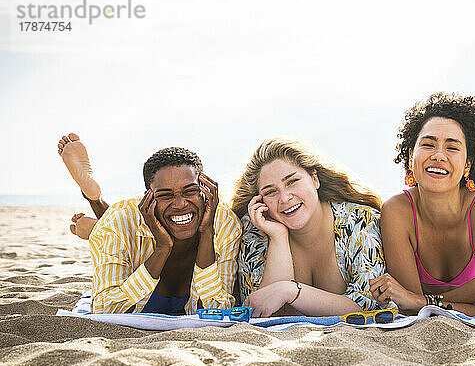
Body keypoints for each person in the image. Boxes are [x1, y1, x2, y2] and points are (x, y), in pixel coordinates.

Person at [369, 93, 475, 316]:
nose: (439, 155)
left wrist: (419, 301)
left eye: (452, 148)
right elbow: (408, 307)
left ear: (468, 163)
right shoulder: (397, 211)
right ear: (411, 157)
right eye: (428, 144)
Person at [57, 134, 241, 314]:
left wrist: (207, 233)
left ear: (205, 188)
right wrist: (162, 248)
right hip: (142, 289)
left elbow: (220, 311)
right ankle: (96, 211)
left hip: (129, 239)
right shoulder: (118, 220)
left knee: (114, 227)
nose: (180, 203)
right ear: (148, 197)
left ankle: (97, 222)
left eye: (190, 191)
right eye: (165, 195)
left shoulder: (224, 222)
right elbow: (104, 310)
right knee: (115, 224)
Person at [232, 138, 386, 317]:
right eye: (270, 192)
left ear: (315, 179)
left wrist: (290, 291)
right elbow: (261, 312)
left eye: (292, 181)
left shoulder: (359, 221)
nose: (284, 198)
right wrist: (278, 238)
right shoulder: (255, 233)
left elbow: (369, 304)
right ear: (260, 200)